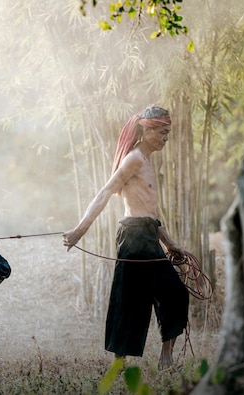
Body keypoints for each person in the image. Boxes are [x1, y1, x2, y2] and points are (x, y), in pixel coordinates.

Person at [62, 105, 189, 369]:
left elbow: (149, 212)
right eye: (162, 133)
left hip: (147, 234)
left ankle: (165, 359)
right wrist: (80, 229)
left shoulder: (148, 160)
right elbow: (105, 192)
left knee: (174, 294)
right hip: (133, 237)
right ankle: (122, 363)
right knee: (131, 298)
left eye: (168, 133)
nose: (166, 138)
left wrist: (169, 243)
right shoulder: (133, 159)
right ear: (147, 129)